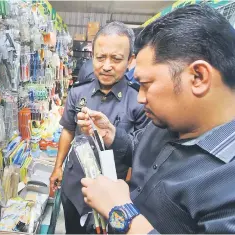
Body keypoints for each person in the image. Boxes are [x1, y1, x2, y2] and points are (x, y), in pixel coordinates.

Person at [77, 4, 235, 234]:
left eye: (146, 85)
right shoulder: (169, 120)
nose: (140, 98)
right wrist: (112, 136)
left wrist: (121, 212)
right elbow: (139, 148)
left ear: (198, 77)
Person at [49, 21, 149, 234]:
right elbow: (67, 129)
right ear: (92, 55)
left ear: (130, 61)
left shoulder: (139, 101)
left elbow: (141, 155)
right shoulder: (78, 93)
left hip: (111, 195)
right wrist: (58, 166)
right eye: (100, 57)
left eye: (116, 59)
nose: (106, 66)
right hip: (74, 187)